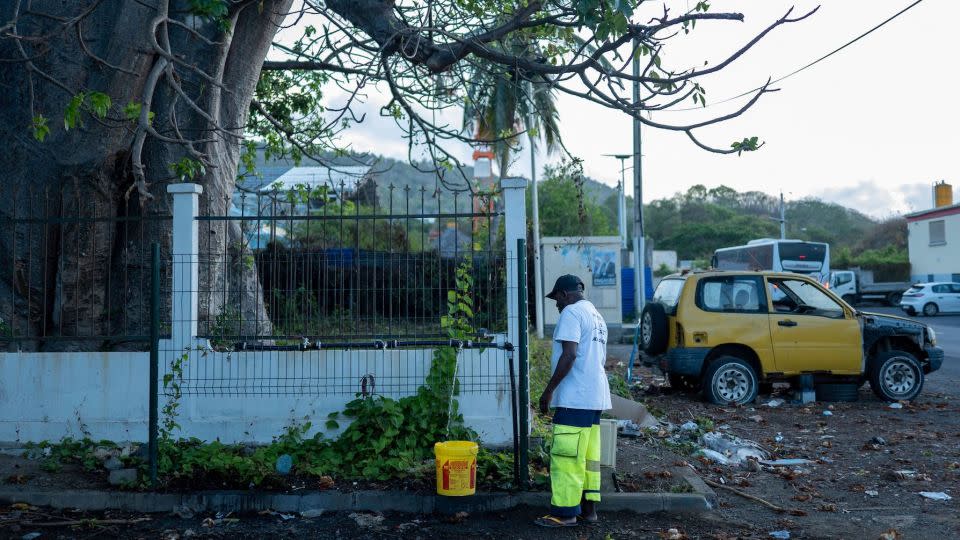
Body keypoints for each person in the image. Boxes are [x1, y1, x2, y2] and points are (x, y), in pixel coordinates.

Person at [534, 274, 612, 528]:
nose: (556, 304)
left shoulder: (571, 313)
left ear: (564, 294)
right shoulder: (597, 316)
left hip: (575, 398)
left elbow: (570, 355)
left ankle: (565, 514)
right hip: (595, 398)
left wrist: (548, 391)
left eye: (556, 298)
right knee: (588, 459)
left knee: (566, 457)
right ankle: (588, 511)